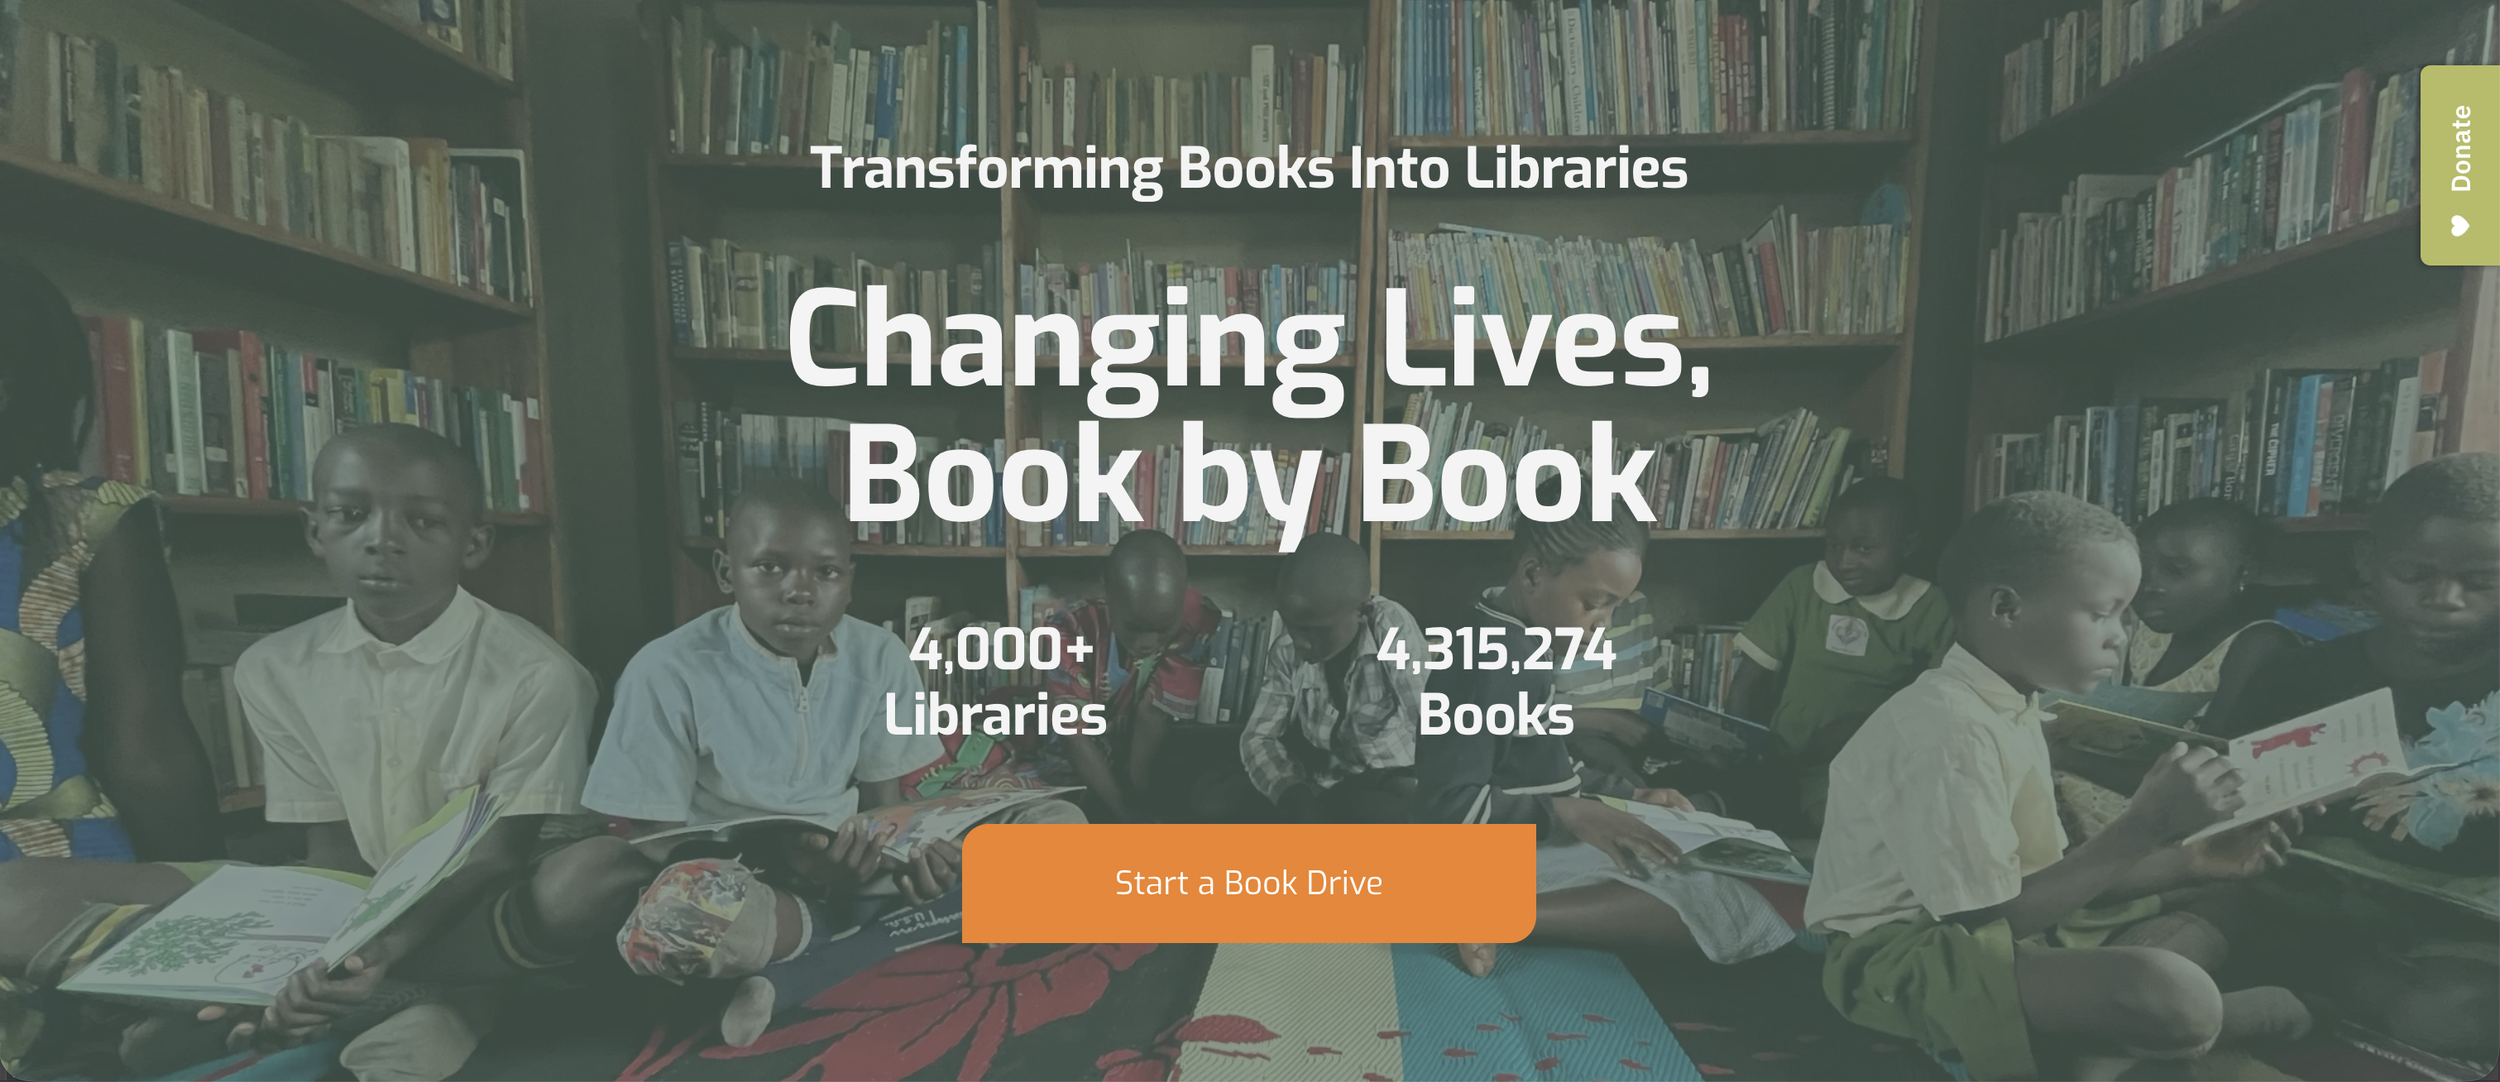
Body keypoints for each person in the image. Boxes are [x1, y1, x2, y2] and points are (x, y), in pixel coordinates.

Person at [0, 424, 618, 1081]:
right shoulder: (273, 667)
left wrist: (369, 953)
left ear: (475, 544)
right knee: (14, 898)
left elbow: (494, 857)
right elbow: (332, 856)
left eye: (424, 521)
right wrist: (316, 951)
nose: (381, 540)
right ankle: (331, 1002)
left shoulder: (539, 674)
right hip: (352, 897)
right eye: (351, 515)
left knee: (590, 881)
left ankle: (426, 1005)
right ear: (314, 529)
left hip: (471, 903)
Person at [1806, 491, 2316, 1081]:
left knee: (2224, 896)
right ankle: (2179, 1032)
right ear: (2005, 608)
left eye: (2124, 616)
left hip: (2007, 927)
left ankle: (2098, 1050)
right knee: (2172, 994)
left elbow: (2051, 875)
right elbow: (1990, 920)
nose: (2120, 637)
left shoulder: (2013, 703)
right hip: (1913, 959)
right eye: (2102, 614)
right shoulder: (1946, 730)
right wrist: (2145, 825)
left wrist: (2192, 861)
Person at [579, 479, 1081, 1045]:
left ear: (849, 581)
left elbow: (884, 808)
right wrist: (795, 869)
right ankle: (905, 927)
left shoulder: (879, 655)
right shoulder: (667, 670)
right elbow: (655, 845)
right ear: (725, 572)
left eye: (826, 572)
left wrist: (901, 859)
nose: (800, 591)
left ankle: (823, 950)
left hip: (854, 861)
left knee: (1058, 824)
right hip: (748, 882)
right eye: (770, 567)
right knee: (676, 918)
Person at [1416, 480, 1794, 978]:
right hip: (1489, 855)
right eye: (1594, 603)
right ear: (1532, 574)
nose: (1605, 624)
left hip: (1534, 835)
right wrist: (1571, 815)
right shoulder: (1486, 658)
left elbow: (1541, 763)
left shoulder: (1518, 637)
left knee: (1742, 858)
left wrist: (1630, 793)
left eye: (1615, 607)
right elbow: (1445, 808)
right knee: (1727, 898)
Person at [2224, 453, 2499, 1062]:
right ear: (2368, 563)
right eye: (2413, 573)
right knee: (2201, 921)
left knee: (2454, 1015)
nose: (2444, 599)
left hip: (2467, 936)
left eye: (2481, 582)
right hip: (2314, 908)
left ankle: (2305, 997)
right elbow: (2235, 813)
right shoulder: (2300, 678)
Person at [0, 253, 222, 867]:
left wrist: (213, 894)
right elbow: (145, 751)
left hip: (61, 889)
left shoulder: (90, 520)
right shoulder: (87, 520)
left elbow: (144, 755)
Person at [2056, 498, 2297, 839]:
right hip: (2088, 805)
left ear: (2243, 573)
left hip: (2153, 836)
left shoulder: (2258, 646)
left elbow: (2205, 784)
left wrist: (2059, 755)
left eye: (2177, 571)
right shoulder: (2148, 632)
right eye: (2142, 569)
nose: (2149, 586)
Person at [1726, 478, 1955, 830]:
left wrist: (1861, 728)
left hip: (1872, 757)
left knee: (1858, 818)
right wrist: (1735, 742)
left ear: (1906, 546)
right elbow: (1747, 680)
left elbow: (1942, 702)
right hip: (1786, 753)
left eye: (1864, 549)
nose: (1845, 561)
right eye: (1833, 546)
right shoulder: (1803, 586)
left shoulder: (1930, 607)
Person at [1201, 532, 1424, 823]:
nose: (1300, 643)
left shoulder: (1390, 627)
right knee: (1214, 799)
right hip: (1322, 781)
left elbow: (1427, 721)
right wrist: (1293, 794)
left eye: (1316, 630)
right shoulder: (1286, 650)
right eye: (1293, 627)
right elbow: (1259, 737)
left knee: (1391, 815)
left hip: (1386, 776)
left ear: (1361, 611)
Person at [1040, 529, 1222, 822]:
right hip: (1078, 764)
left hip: (1147, 755)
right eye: (1133, 628)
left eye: (1163, 628)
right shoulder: (1067, 629)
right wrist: (1124, 810)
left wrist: (1138, 804)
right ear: (1107, 592)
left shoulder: (1197, 620)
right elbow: (1073, 735)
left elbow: (1153, 713)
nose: (1147, 643)